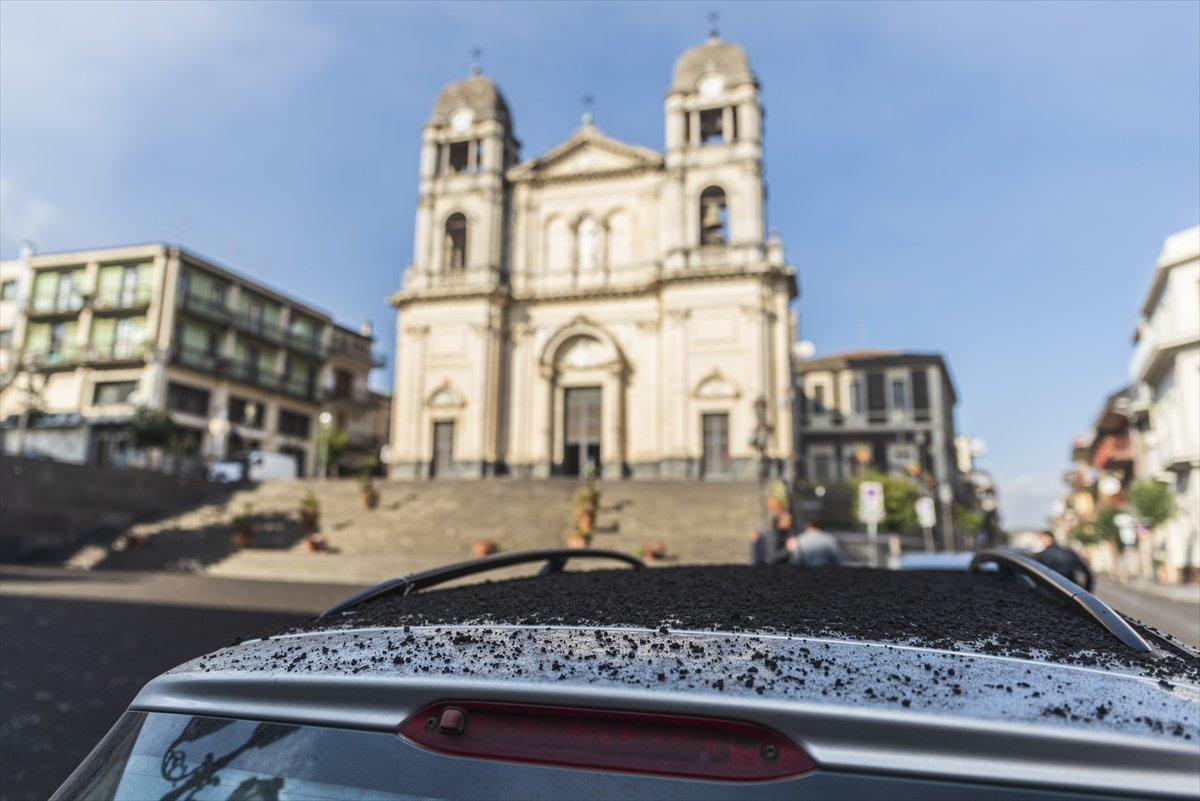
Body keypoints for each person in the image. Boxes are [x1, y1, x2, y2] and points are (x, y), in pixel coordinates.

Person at [749, 497, 792, 565]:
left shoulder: (783, 514)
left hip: (776, 538)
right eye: (769, 504)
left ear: (778, 504)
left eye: (772, 504)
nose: (770, 506)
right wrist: (758, 534)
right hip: (767, 538)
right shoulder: (767, 515)